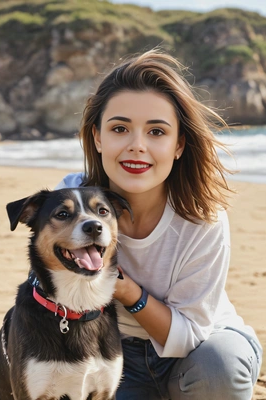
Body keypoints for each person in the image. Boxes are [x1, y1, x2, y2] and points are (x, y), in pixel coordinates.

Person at [56, 49, 263, 399]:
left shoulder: (202, 218)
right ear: (97, 137)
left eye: (156, 131)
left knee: (220, 370)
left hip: (200, 352)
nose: (137, 146)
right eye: (120, 128)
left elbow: (188, 336)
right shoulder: (70, 203)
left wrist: (124, 289)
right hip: (109, 351)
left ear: (179, 144)